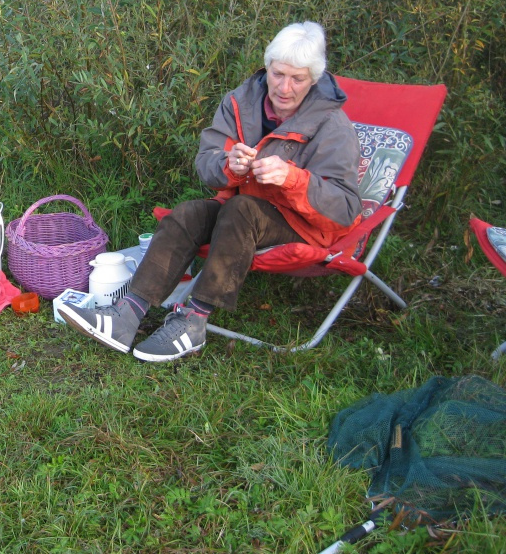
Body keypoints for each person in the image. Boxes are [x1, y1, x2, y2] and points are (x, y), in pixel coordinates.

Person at [59, 22, 362, 362]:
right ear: (267, 66)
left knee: (241, 209)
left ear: (314, 79)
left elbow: (346, 207)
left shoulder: (333, 126)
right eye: (278, 74)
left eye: (298, 79)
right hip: (244, 211)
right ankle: (126, 314)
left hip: (303, 225)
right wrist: (228, 165)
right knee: (188, 213)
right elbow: (206, 164)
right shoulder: (240, 102)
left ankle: (193, 322)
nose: (285, 88)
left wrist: (293, 179)